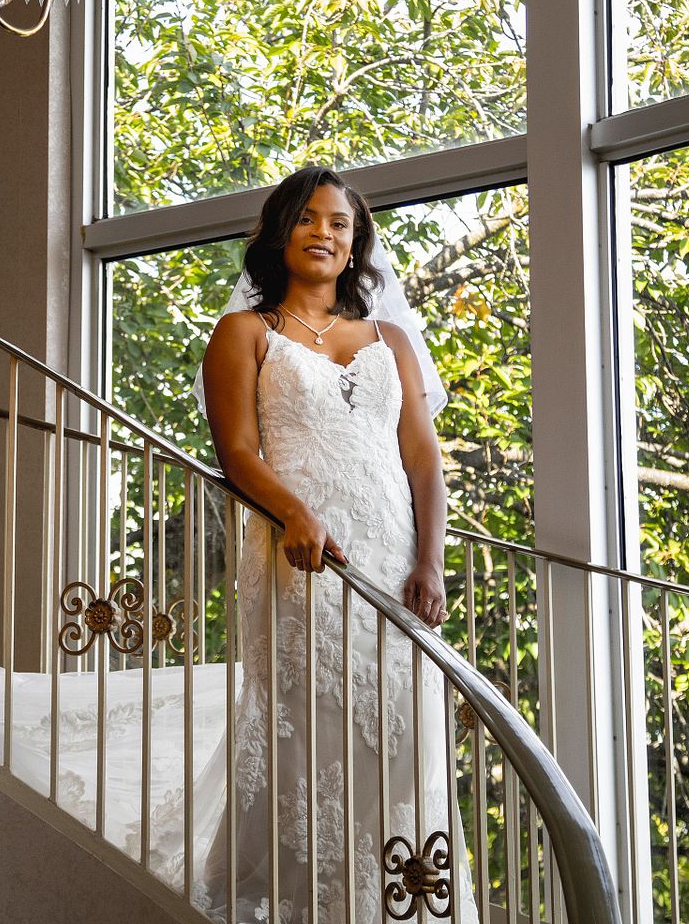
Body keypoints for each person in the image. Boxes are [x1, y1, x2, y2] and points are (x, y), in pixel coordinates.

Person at [194, 165, 476, 923]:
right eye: (309, 219)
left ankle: (388, 902)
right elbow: (239, 453)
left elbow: (422, 457)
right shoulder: (246, 333)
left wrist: (430, 560)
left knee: (401, 735)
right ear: (282, 232)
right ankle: (298, 902)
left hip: (390, 564)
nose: (324, 232)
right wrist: (294, 514)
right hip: (302, 560)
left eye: (340, 224)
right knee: (310, 732)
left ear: (357, 246)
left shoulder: (392, 342)